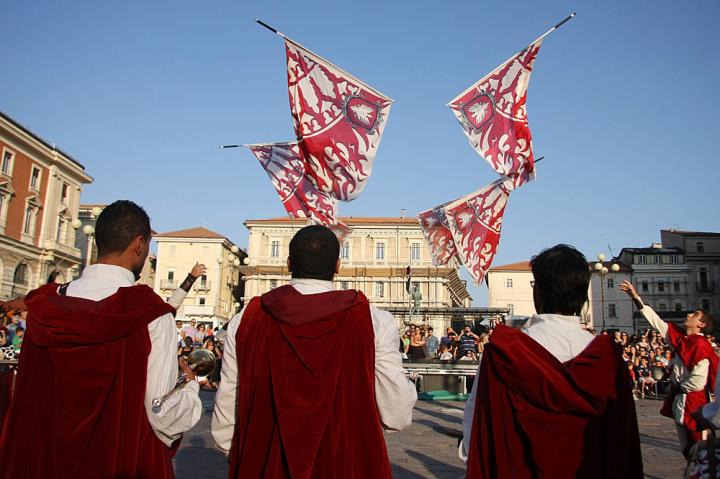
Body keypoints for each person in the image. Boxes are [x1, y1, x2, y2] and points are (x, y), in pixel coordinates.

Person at [0, 200, 202, 478]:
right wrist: (190, 390)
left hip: (45, 461)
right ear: (139, 244)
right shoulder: (151, 315)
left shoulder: (45, 306)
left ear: (97, 242)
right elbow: (162, 413)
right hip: (118, 462)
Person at [212, 225, 416, 478]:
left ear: (288, 263)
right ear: (338, 266)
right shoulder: (374, 320)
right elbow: (396, 410)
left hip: (267, 460)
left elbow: (228, 401)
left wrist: (238, 452)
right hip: (346, 462)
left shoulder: (247, 319)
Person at [461, 244, 643, 478]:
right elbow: (624, 437)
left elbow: (475, 422)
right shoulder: (607, 357)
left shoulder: (504, 353)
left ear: (539, 292)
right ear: (582, 295)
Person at [620, 280, 717, 458]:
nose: (689, 315)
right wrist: (636, 298)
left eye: (695, 314)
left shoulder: (702, 346)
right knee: (688, 450)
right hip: (681, 401)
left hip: (694, 403)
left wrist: (679, 387)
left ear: (701, 324)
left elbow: (699, 380)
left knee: (700, 451)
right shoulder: (680, 340)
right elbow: (656, 322)